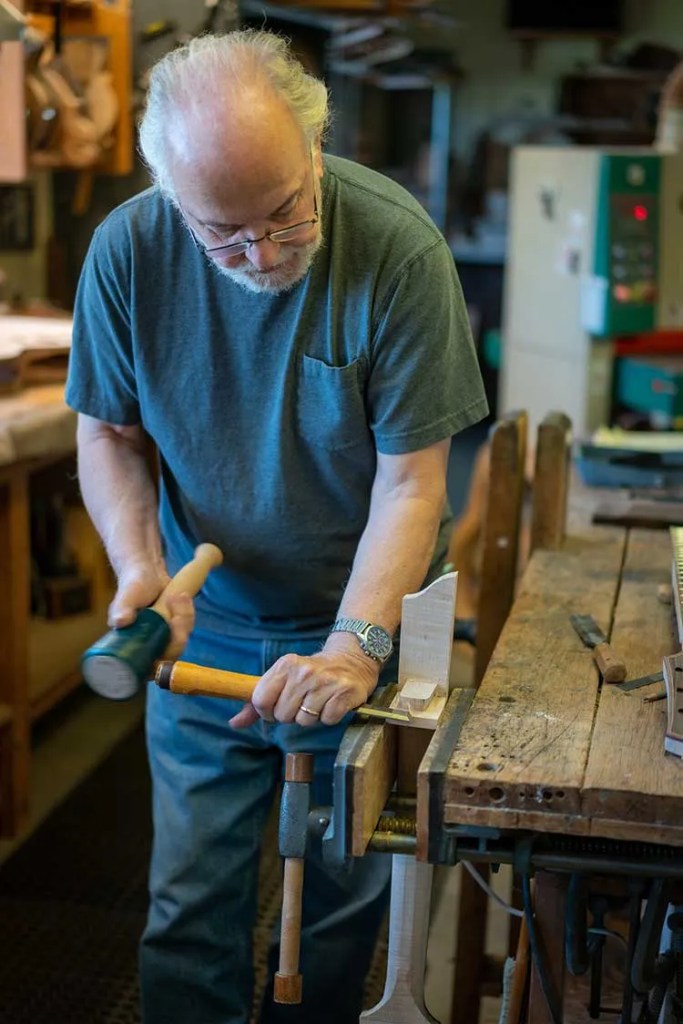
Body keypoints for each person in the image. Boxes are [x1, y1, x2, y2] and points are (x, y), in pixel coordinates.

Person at [65, 28, 488, 1024]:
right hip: (203, 632)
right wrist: (139, 568)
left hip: (360, 632)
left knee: (340, 908)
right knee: (188, 907)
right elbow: (111, 433)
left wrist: (354, 645)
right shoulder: (129, 250)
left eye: (285, 211)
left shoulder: (395, 246)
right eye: (224, 233)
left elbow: (411, 484)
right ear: (172, 194)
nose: (261, 252)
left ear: (314, 145)